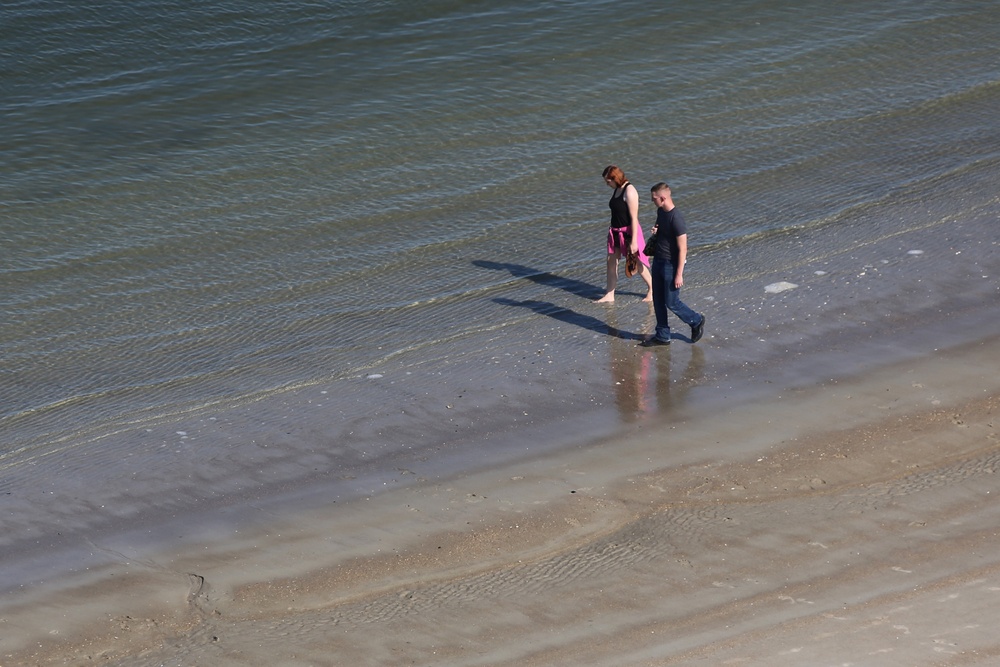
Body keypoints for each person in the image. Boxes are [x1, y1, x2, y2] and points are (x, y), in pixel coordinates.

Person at [640, 182, 706, 346]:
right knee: (658, 300)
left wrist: (679, 273)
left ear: (662, 198)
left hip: (671, 265)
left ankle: (696, 320)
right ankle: (662, 335)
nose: (652, 201)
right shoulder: (660, 212)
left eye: (654, 198)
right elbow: (661, 229)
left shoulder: (676, 218)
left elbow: (683, 248)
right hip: (658, 261)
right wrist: (657, 231)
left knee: (672, 302)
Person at [596, 165, 653, 303]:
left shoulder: (630, 191)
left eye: (608, 181)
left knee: (637, 264)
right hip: (615, 232)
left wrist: (634, 241)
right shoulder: (617, 189)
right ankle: (610, 295)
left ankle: (652, 289)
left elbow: (634, 218)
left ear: (615, 178)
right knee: (611, 262)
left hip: (628, 233)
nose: (607, 184)